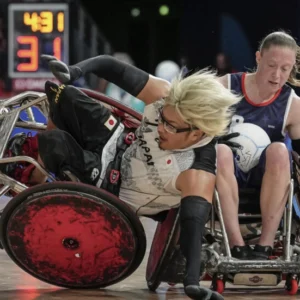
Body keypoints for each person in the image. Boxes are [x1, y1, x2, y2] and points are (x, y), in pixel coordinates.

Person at [2, 54, 241, 299]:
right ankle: (36, 172)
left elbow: (192, 230)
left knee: (54, 143)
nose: (160, 127)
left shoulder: (196, 172)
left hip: (112, 187)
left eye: (170, 125)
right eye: (161, 118)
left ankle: (24, 202)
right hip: (116, 141)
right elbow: (111, 66)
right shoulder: (164, 96)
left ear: (196, 133)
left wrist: (192, 283)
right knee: (64, 93)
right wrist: (74, 71)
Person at [216, 30, 300, 260]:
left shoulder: (292, 104)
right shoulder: (224, 87)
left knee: (280, 151)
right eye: (272, 65)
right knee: (220, 150)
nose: (277, 75)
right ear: (258, 58)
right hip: (225, 170)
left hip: (268, 176)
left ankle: (265, 244)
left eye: (285, 69)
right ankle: (236, 244)